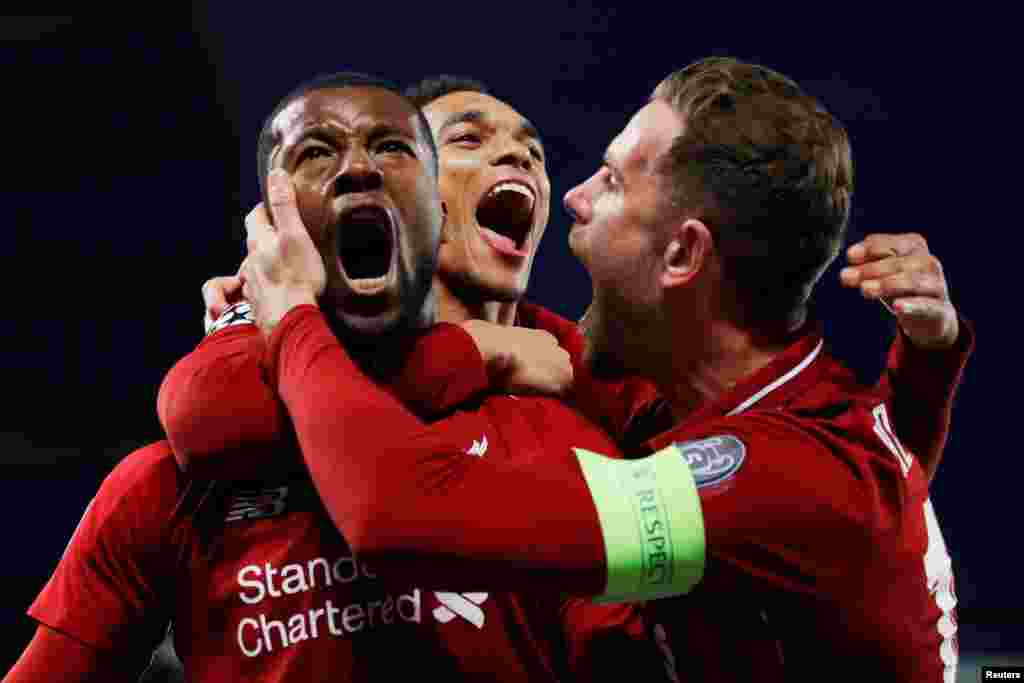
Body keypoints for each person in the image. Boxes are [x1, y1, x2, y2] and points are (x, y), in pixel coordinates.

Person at [233, 58, 970, 681]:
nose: (576, 199)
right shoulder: (725, 397)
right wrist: (931, 355)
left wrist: (292, 316)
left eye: (613, 182)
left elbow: (397, 516)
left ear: (683, 256)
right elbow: (204, 406)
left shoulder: (778, 473)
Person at [7, 72, 616, 682]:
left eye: (392, 149)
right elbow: (204, 410)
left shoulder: (559, 434)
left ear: (433, 210)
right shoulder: (170, 483)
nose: (358, 170)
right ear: (273, 227)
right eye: (317, 153)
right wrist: (474, 350)